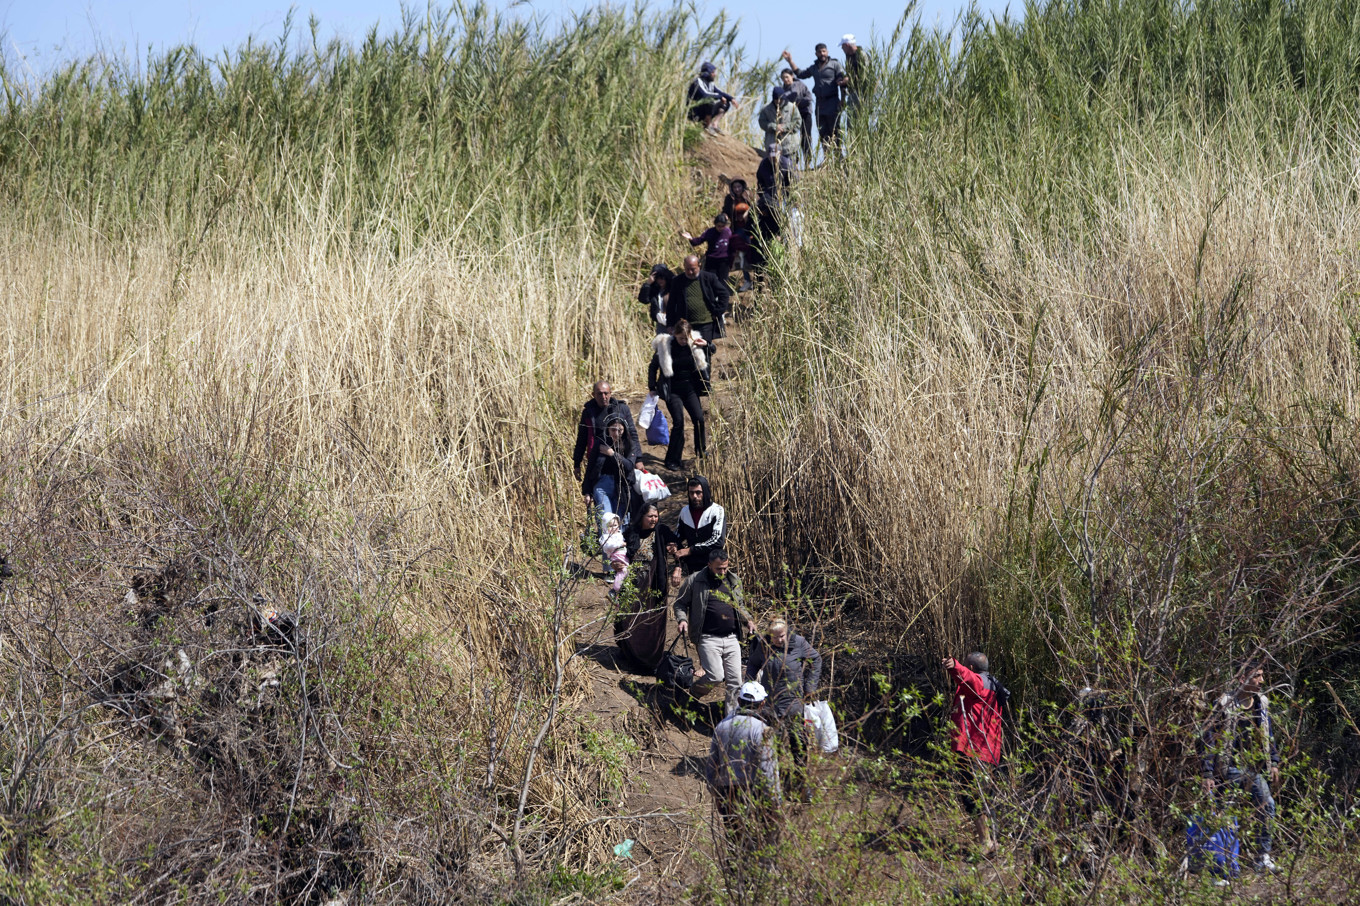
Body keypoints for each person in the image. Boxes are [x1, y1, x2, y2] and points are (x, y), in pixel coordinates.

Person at [1199, 661, 1281, 874]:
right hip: (1227, 769)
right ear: (1242, 678)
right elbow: (1209, 739)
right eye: (1257, 676)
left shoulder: (1261, 703)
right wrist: (1207, 772)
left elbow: (1269, 734)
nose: (1262, 680)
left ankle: (1261, 858)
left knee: (1266, 805)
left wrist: (1274, 762)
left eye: (1262, 675)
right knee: (1223, 816)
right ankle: (1221, 866)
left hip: (1254, 769)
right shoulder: (1224, 703)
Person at [674, 547, 755, 715]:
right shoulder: (695, 580)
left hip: (732, 638)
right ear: (709, 565)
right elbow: (680, 603)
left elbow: (740, 606)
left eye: (725, 568)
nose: (723, 572)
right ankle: (693, 693)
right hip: (707, 638)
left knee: (735, 682)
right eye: (719, 569)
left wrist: (748, 620)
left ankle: (731, 720)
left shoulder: (734, 580)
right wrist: (682, 620)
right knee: (715, 676)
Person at [747, 619, 823, 796]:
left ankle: (802, 783)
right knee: (774, 745)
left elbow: (816, 659)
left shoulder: (799, 643)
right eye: (774, 638)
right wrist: (750, 686)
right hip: (770, 704)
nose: (779, 640)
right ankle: (776, 784)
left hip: (793, 703)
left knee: (799, 744)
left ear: (787, 633)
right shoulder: (764, 645)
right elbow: (753, 664)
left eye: (781, 636)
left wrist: (810, 687)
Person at [708, 681, 783, 859]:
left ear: (739, 701)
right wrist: (775, 801)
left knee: (735, 843)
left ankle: (734, 875)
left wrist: (716, 795)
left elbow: (712, 766)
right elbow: (768, 770)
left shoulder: (721, 726)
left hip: (728, 795)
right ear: (762, 704)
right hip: (755, 795)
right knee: (759, 845)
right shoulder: (763, 731)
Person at [943, 651, 1007, 856]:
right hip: (987, 751)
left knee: (972, 795)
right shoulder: (993, 684)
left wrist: (955, 666)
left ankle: (986, 842)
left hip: (974, 750)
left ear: (971, 668)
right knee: (984, 795)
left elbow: (968, 679)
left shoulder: (979, 683)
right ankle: (993, 842)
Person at [572, 383, 641, 519]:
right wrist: (577, 463)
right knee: (605, 516)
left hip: (620, 466)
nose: (603, 396)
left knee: (623, 513)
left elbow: (632, 434)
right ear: (593, 395)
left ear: (610, 393)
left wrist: (638, 459)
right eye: (599, 393)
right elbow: (582, 438)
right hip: (599, 462)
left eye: (606, 393)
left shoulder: (621, 408)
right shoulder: (589, 411)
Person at [613, 503, 670, 669]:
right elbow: (618, 553)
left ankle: (649, 659)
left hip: (653, 583)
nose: (653, 519)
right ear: (642, 517)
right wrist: (615, 564)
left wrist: (674, 552)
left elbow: (676, 543)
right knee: (627, 615)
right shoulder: (631, 532)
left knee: (651, 619)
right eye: (650, 516)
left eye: (656, 516)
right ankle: (629, 653)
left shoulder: (661, 531)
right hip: (632, 581)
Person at [647, 320, 709, 471]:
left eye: (686, 338)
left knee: (699, 419)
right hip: (673, 390)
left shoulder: (693, 344)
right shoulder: (665, 346)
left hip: (690, 389)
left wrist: (706, 344)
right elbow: (653, 367)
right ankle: (673, 459)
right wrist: (652, 387)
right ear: (674, 334)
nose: (684, 341)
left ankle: (701, 452)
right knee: (679, 422)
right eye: (681, 338)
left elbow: (711, 350)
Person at [781, 44, 847, 152]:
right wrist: (790, 61)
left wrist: (843, 100)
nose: (822, 54)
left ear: (827, 52)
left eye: (824, 51)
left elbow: (842, 82)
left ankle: (838, 157)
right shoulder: (814, 67)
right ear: (816, 54)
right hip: (820, 104)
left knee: (835, 132)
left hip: (832, 102)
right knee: (823, 133)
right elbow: (800, 74)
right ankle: (827, 158)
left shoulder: (835, 64)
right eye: (820, 52)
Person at [665, 254, 731, 355]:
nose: (690, 272)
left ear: (699, 266)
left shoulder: (709, 278)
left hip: (705, 324)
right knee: (686, 353)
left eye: (693, 269)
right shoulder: (678, 281)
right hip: (685, 326)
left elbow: (724, 294)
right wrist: (670, 324)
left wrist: (717, 311)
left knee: (704, 352)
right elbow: (671, 304)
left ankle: (706, 366)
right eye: (687, 269)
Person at [665, 475, 728, 573]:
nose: (694, 496)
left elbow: (717, 541)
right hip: (692, 566)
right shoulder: (685, 511)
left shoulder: (717, 510)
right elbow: (678, 535)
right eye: (691, 493)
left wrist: (690, 550)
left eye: (698, 492)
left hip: (713, 565)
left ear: (705, 492)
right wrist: (673, 544)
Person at [722, 180, 755, 292]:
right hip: (738, 229)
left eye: (739, 187)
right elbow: (725, 210)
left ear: (743, 186)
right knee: (741, 254)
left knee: (754, 253)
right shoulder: (729, 199)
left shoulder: (749, 195)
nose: (737, 189)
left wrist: (748, 213)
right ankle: (747, 280)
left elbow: (756, 207)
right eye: (735, 187)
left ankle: (759, 279)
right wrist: (725, 216)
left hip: (751, 229)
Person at [681, 214, 734, 284]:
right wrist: (691, 239)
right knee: (710, 280)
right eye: (719, 226)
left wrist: (732, 258)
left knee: (723, 281)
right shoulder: (710, 232)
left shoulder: (728, 231)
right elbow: (699, 240)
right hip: (712, 259)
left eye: (723, 226)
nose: (721, 228)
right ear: (715, 224)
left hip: (724, 260)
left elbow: (732, 245)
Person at [687, 61, 735, 133]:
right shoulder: (697, 82)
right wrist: (719, 97)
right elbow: (705, 95)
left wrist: (731, 99)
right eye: (713, 72)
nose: (715, 74)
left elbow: (719, 92)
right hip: (694, 112)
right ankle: (707, 125)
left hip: (703, 110)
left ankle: (714, 124)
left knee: (726, 103)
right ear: (707, 73)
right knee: (709, 100)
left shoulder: (710, 83)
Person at [757, 86, 801, 164]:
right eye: (776, 99)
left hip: (789, 146)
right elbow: (762, 122)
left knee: (790, 167)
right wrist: (774, 126)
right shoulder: (766, 109)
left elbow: (797, 123)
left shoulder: (792, 108)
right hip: (773, 146)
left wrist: (784, 127)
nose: (778, 101)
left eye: (780, 99)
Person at [838, 35, 872, 132]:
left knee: (859, 120)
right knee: (851, 122)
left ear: (847, 45)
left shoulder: (861, 55)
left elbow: (865, 74)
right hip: (853, 92)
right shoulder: (849, 57)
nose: (842, 49)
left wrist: (849, 79)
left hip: (862, 93)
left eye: (842, 46)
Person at [779, 68, 814, 163]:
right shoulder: (783, 90)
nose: (785, 79)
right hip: (792, 117)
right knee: (792, 138)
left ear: (792, 76)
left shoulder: (799, 85)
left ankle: (807, 161)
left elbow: (808, 98)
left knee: (805, 137)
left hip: (804, 113)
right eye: (783, 78)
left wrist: (798, 103)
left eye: (787, 77)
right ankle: (794, 162)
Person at [638, 264, 672, 334]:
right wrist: (648, 284)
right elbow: (644, 300)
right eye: (657, 278)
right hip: (660, 323)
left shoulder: (673, 289)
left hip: (673, 323)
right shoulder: (654, 291)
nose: (660, 280)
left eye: (662, 278)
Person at [599, 512, 628, 593]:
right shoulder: (606, 537)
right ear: (605, 527)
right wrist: (620, 544)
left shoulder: (619, 534)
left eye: (615, 525)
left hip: (623, 554)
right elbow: (607, 546)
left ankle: (622, 588)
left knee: (626, 570)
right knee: (623, 570)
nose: (613, 528)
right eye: (610, 526)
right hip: (617, 556)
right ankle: (616, 589)